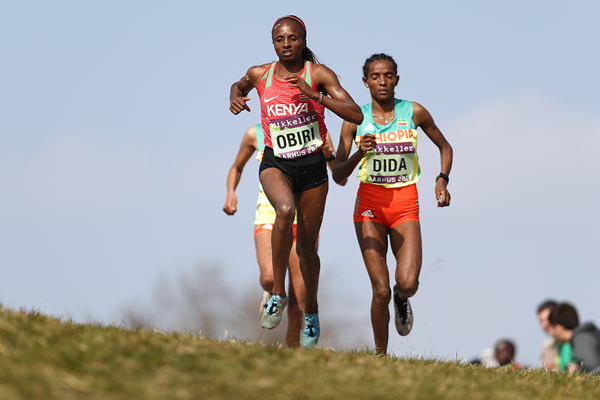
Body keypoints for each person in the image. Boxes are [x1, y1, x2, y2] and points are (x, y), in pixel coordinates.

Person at [229, 15, 362, 349]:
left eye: (292, 38)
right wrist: (235, 97)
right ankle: (277, 293)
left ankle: (312, 311)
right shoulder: (261, 74)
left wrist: (316, 97)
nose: (286, 44)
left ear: (303, 40)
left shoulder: (318, 75)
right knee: (283, 210)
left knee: (306, 248)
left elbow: (356, 114)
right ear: (272, 43)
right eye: (279, 39)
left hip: (314, 168)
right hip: (276, 163)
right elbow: (238, 86)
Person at [332, 53, 453, 355]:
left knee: (407, 283)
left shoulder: (414, 112)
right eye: (375, 76)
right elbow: (337, 174)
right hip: (369, 206)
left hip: (405, 203)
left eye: (388, 75)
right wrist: (360, 153)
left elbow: (445, 146)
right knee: (380, 289)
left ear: (397, 79)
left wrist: (441, 180)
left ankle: (403, 300)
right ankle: (381, 356)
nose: (382, 82)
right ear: (365, 82)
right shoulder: (354, 119)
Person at [223, 124, 343, 347]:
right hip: (269, 216)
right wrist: (231, 193)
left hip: (303, 222)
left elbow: (340, 177)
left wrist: (329, 155)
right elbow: (237, 167)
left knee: (299, 299)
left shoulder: (315, 129)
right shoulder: (254, 134)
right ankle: (271, 293)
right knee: (269, 277)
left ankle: (292, 354)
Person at [549, 302, 600, 375]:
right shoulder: (588, 334)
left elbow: (591, 366)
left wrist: (576, 372)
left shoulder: (581, 338)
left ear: (558, 327)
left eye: (553, 329)